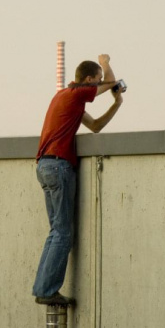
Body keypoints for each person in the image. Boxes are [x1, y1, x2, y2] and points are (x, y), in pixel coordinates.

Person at [33, 54, 124, 306]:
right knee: (62, 233)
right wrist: (105, 62)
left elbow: (94, 126)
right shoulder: (75, 94)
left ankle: (43, 287)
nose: (99, 84)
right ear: (88, 80)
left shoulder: (64, 98)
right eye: (96, 80)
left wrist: (117, 104)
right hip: (60, 166)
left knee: (56, 232)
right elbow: (110, 81)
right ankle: (46, 290)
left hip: (44, 165)